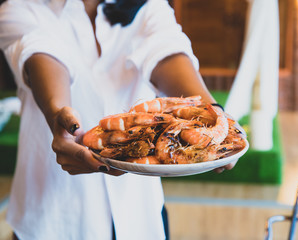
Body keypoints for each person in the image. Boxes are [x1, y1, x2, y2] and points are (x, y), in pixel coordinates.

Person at [0, 0, 238, 239]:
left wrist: (216, 116)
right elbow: (43, 54)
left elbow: (167, 51)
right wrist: (57, 113)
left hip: (139, 214)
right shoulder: (18, 8)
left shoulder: (148, 7)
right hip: (55, 220)